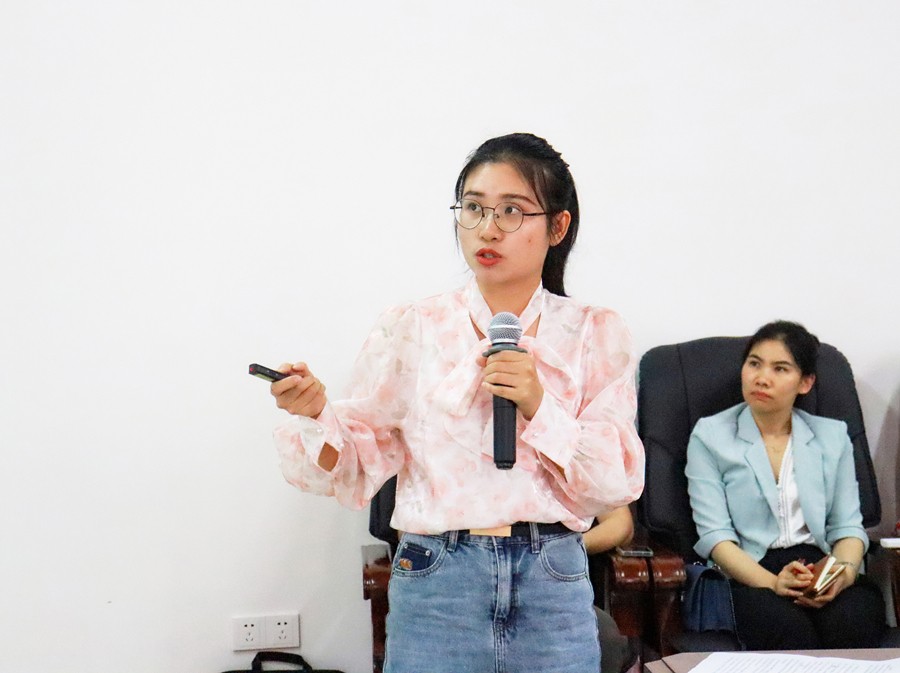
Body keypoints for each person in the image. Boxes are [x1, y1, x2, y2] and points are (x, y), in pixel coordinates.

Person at [270, 133, 644, 673]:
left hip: (552, 578)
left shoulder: (594, 333)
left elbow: (612, 484)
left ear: (557, 227)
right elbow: (354, 464)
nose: (487, 229)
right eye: (473, 208)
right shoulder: (413, 327)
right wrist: (315, 414)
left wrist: (539, 403)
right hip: (438, 578)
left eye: (511, 211)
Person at [685, 320, 885, 650]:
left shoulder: (831, 436)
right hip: (749, 571)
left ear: (805, 383)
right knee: (788, 630)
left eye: (780, 369)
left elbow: (847, 527)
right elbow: (715, 536)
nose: (762, 378)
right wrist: (774, 583)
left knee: (853, 619)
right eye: (754, 364)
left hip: (819, 564)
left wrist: (842, 575)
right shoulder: (710, 436)